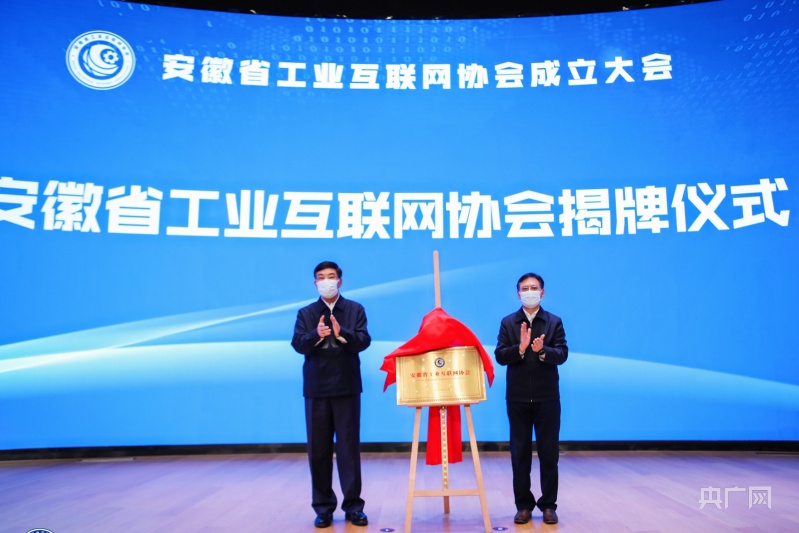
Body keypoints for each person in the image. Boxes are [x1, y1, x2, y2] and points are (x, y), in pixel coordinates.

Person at [291, 261, 372, 528]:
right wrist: (315, 334)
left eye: (331, 276)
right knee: (318, 451)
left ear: (340, 281)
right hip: (316, 389)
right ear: (315, 283)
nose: (326, 281)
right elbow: (298, 345)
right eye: (321, 277)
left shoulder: (355, 309)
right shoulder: (306, 313)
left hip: (347, 387)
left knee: (349, 449)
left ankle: (353, 507)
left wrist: (342, 333)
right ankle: (323, 508)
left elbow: (364, 341)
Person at [494, 272, 568, 525]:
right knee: (520, 454)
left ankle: (548, 505)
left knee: (549, 454)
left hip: (547, 398)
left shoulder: (554, 322)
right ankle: (523, 505)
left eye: (534, 288)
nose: (529, 292)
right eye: (524, 289)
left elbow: (562, 354)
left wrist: (542, 351)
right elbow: (500, 356)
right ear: (518, 294)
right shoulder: (508, 323)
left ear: (542, 292)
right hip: (517, 399)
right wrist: (521, 348)